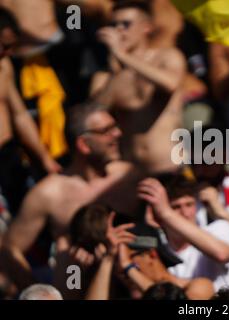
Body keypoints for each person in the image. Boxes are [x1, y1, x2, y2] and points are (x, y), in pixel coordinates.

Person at [0, 102, 142, 293]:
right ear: (84, 144)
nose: (117, 134)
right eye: (106, 130)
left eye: (115, 127)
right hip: (77, 280)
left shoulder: (128, 177)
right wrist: (37, 292)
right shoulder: (50, 193)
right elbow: (10, 249)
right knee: (68, 258)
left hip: (131, 278)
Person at [91, 0, 186, 175]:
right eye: (113, 24)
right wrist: (117, 70)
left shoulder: (167, 57)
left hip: (169, 167)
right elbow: (94, 114)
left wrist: (123, 56)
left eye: (126, 24)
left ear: (146, 27)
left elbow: (170, 84)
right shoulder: (105, 76)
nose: (119, 30)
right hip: (131, 175)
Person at [73, 205, 214, 300]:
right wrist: (107, 260)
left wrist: (129, 268)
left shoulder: (198, 286)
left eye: (127, 258)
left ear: (151, 255)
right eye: (117, 261)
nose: (119, 269)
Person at [137, 176, 229, 291]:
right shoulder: (157, 250)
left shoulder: (220, 228)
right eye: (176, 207)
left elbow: (222, 253)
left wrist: (166, 212)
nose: (185, 213)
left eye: (189, 204)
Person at [0, 8, 60, 214]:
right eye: (4, 46)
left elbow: (20, 115)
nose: (7, 53)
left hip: (8, 157)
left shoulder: (4, 67)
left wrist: (45, 159)